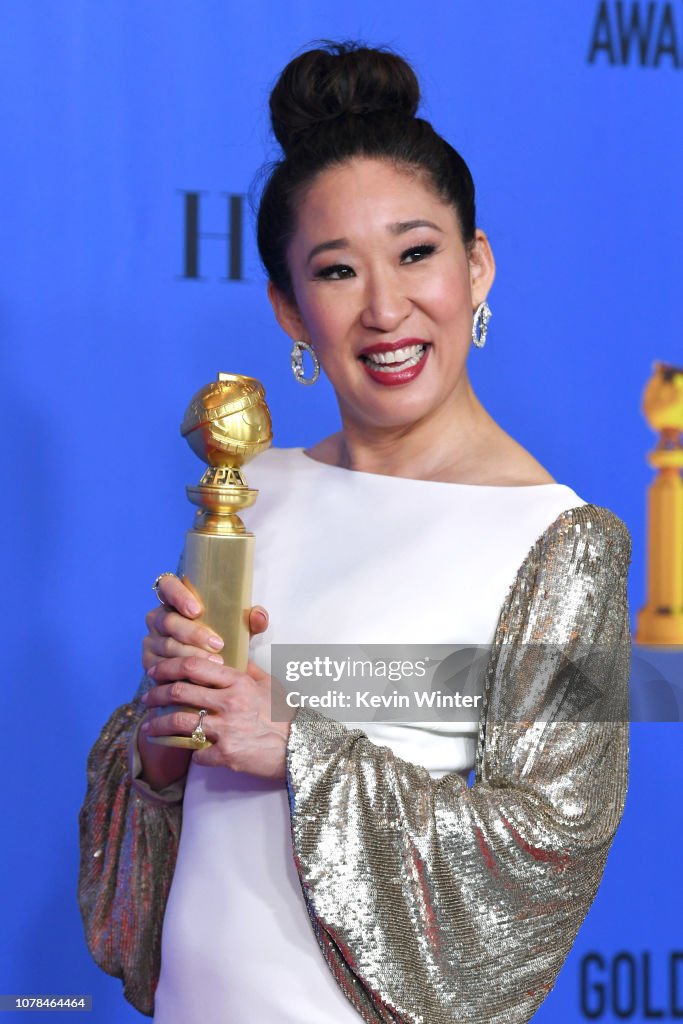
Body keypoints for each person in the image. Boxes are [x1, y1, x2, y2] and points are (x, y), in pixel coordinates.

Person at [79, 42, 632, 1024]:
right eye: (335, 271)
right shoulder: (252, 490)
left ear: (475, 265)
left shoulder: (561, 540)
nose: (384, 309)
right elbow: (171, 805)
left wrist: (297, 745)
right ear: (289, 309)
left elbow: (550, 844)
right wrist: (164, 737)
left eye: (416, 254)